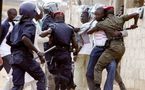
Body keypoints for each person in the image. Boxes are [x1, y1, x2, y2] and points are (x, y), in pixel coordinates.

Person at [88, 6, 139, 90]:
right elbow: (136, 14)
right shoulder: (120, 18)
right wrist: (135, 24)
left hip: (112, 49)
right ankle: (121, 85)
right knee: (113, 68)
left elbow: (89, 32)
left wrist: (96, 26)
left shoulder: (102, 23)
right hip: (122, 48)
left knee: (98, 67)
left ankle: (97, 87)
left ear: (105, 13)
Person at [6, 2, 46, 90]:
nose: (36, 13)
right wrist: (38, 52)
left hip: (14, 58)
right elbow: (25, 38)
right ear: (31, 12)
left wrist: (16, 47)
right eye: (35, 11)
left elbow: (8, 40)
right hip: (24, 57)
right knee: (41, 77)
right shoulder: (30, 24)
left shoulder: (17, 25)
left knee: (18, 86)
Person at [40, 11, 78, 90]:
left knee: (57, 75)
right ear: (63, 18)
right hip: (66, 54)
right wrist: (75, 52)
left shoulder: (52, 26)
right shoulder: (70, 28)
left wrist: (47, 32)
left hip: (55, 54)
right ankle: (68, 85)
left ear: (54, 18)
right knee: (66, 74)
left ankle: (61, 85)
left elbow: (42, 35)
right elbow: (75, 44)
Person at [0, 8, 17, 74]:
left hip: (9, 50)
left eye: (16, 15)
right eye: (13, 15)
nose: (15, 16)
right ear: (8, 14)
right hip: (3, 50)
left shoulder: (13, 24)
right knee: (11, 71)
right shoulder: (3, 25)